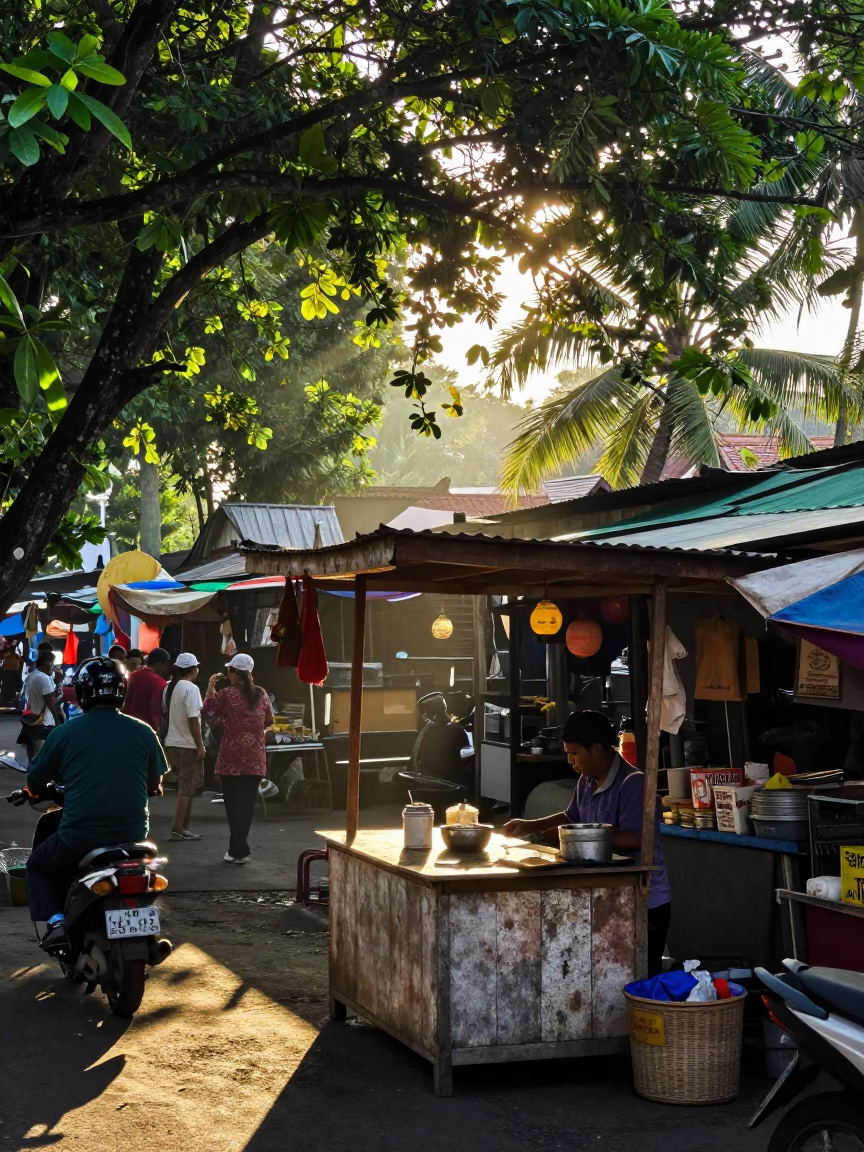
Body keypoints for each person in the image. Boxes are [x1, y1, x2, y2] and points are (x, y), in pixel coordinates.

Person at [503, 709, 672, 976]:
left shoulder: (633, 783)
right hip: (609, 895)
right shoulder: (586, 781)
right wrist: (530, 825)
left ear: (596, 749)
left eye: (574, 753)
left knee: (639, 977)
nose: (570, 761)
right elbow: (572, 816)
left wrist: (575, 838)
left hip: (645, 900)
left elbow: (638, 839)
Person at [25, 657, 167, 952]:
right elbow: (155, 785)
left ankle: (55, 924)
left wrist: (34, 792)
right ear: (122, 691)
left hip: (79, 837)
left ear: (83, 693)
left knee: (38, 866)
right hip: (134, 836)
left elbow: (36, 782)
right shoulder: (143, 731)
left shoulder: (65, 733)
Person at [202, 653, 273, 865]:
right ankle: (237, 849)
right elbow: (269, 720)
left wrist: (209, 689)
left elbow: (206, 710)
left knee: (233, 805)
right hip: (255, 757)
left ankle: (238, 850)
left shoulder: (225, 694)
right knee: (247, 804)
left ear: (233, 673)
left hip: (231, 758)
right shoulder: (262, 694)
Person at [163, 652, 205, 841]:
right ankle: (178, 828)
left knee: (185, 787)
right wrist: (200, 745)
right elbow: (193, 719)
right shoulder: (191, 688)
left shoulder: (171, 688)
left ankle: (182, 827)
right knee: (186, 789)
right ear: (193, 669)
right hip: (187, 744)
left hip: (173, 742)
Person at [17, 652, 64, 762]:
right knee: (43, 750)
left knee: (32, 748)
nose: (52, 667)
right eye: (51, 664)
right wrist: (57, 721)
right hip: (43, 721)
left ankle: (31, 769)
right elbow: (50, 701)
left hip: (30, 717)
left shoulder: (30, 676)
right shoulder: (44, 678)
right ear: (47, 663)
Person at [122, 647, 171, 731]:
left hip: (126, 727)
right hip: (147, 731)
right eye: (165, 665)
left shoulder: (131, 676)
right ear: (160, 664)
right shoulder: (160, 683)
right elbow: (155, 711)